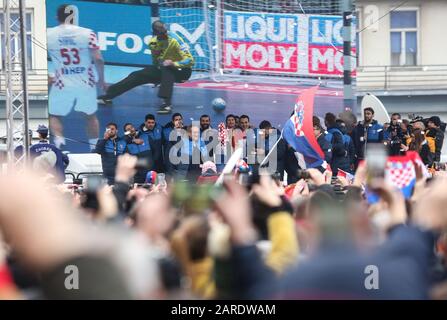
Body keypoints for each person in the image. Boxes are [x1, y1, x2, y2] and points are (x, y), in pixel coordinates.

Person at [98, 20, 195, 114]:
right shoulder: (153, 43)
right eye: (161, 33)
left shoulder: (175, 40)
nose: (164, 35)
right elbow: (157, 63)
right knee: (137, 75)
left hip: (183, 71)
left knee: (166, 67)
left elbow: (190, 60)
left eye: (165, 32)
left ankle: (167, 105)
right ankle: (109, 95)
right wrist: (157, 77)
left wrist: (174, 63)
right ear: (155, 33)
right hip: (165, 68)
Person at [47, 4, 105, 150]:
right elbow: (98, 58)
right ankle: (94, 148)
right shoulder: (88, 33)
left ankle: (59, 144)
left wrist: (47, 76)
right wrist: (102, 79)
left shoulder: (48, 34)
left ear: (56, 17)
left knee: (54, 115)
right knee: (90, 116)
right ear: (74, 16)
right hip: (86, 82)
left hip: (62, 82)